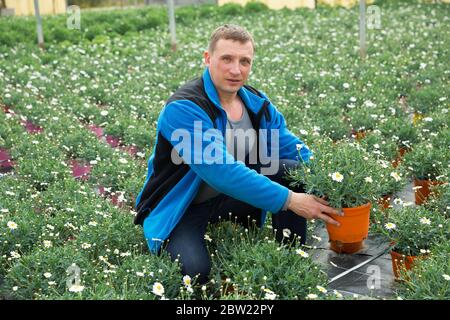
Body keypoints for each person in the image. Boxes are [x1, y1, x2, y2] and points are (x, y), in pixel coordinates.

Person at [134, 24, 342, 285]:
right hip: (184, 205)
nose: (236, 70)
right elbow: (221, 170)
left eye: (245, 61)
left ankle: (290, 257)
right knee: (195, 272)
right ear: (208, 59)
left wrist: (332, 178)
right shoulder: (185, 107)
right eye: (227, 59)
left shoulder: (256, 103)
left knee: (295, 171)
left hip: (230, 198)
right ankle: (170, 234)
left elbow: (290, 147)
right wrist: (290, 200)